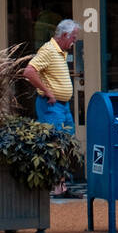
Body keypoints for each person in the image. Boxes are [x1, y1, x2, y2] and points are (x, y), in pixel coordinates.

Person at [23, 18, 81, 196]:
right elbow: (29, 71)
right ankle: (55, 187)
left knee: (66, 144)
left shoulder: (60, 52)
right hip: (52, 106)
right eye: (73, 38)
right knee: (55, 145)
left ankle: (61, 186)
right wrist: (47, 91)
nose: (74, 42)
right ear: (64, 35)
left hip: (63, 107)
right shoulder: (48, 50)